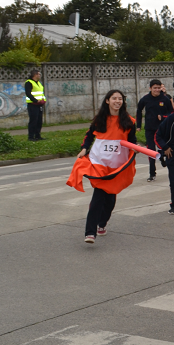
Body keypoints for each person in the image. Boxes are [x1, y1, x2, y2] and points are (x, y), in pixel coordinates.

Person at [67, 89, 138, 244]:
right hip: (100, 163)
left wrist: (135, 149)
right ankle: (90, 233)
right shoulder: (100, 120)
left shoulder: (129, 121)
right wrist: (84, 148)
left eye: (120, 99)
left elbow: (132, 140)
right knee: (98, 196)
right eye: (114, 98)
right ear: (107, 101)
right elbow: (89, 135)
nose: (117, 101)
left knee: (110, 199)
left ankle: (102, 223)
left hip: (117, 166)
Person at [136, 79, 174, 182]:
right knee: (151, 151)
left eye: (158, 88)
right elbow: (139, 110)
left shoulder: (165, 99)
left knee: (163, 149)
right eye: (154, 88)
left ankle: (162, 156)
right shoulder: (145, 99)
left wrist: (163, 117)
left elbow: (171, 113)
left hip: (162, 130)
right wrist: (138, 125)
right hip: (149, 129)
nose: (157, 90)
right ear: (150, 88)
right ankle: (152, 173)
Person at [24, 69, 46, 141]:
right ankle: (31, 137)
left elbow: (41, 93)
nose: (40, 75)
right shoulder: (29, 82)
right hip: (33, 104)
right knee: (33, 120)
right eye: (39, 74)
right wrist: (35, 100)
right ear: (35, 75)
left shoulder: (39, 83)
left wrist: (43, 100)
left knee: (39, 121)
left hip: (39, 104)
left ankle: (37, 135)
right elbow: (28, 93)